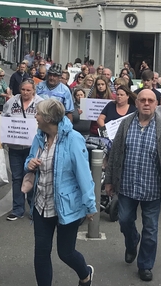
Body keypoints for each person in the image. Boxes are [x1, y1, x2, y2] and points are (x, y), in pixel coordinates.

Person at [104, 89, 161, 282]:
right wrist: (109, 180)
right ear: (138, 103)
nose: (147, 103)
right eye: (143, 100)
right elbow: (114, 154)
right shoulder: (126, 124)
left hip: (152, 189)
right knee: (125, 220)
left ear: (156, 103)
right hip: (127, 187)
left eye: (151, 100)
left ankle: (145, 265)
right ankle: (132, 241)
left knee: (150, 230)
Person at [26, 99, 96, 286]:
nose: (36, 116)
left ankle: (85, 274)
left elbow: (84, 174)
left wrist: (90, 205)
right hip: (41, 204)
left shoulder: (73, 139)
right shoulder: (39, 136)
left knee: (65, 253)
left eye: (38, 113)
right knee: (41, 252)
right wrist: (30, 164)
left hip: (66, 205)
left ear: (48, 118)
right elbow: (30, 159)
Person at [3, 80, 44, 221]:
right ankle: (17, 209)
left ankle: (33, 208)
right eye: (23, 90)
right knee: (16, 177)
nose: (25, 93)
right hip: (14, 146)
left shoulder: (41, 103)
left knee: (32, 176)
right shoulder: (12, 102)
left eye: (28, 90)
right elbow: (3, 118)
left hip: (32, 148)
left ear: (34, 90)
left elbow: (45, 121)